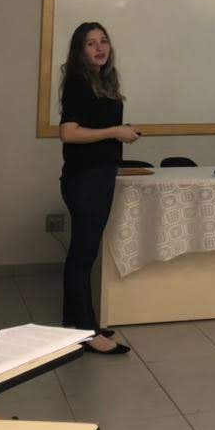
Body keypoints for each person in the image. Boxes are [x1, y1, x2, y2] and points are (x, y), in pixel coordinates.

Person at [59, 21, 137, 355]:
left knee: (84, 253)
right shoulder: (78, 83)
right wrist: (115, 132)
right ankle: (87, 333)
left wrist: (119, 131)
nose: (100, 47)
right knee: (82, 254)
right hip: (85, 178)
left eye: (103, 41)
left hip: (100, 175)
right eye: (91, 43)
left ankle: (75, 325)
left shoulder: (103, 81)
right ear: (80, 51)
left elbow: (97, 125)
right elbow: (68, 133)